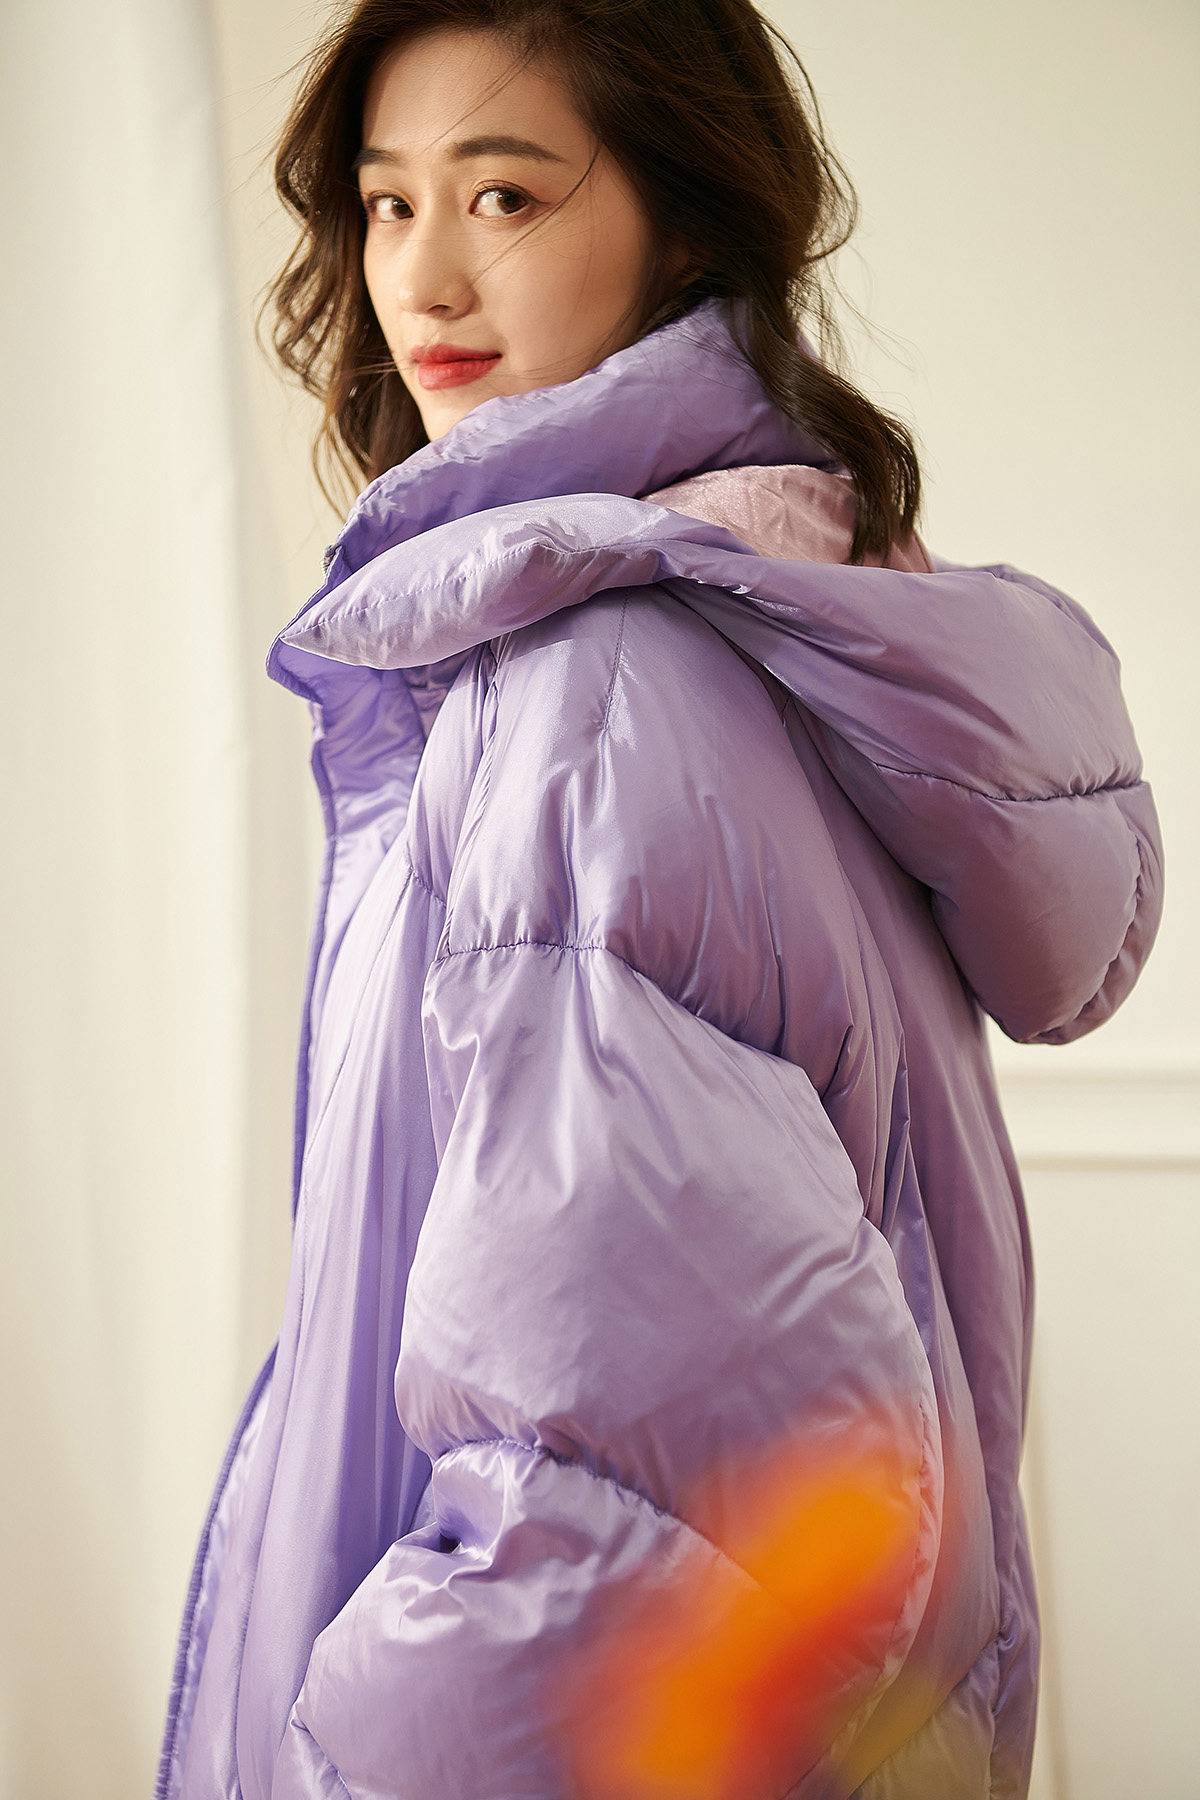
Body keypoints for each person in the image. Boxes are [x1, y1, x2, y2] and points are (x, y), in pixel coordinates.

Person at [157, 4, 1163, 1796]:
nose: (424, 278)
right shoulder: (786, 616)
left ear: (684, 227)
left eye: (506, 195)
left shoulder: (593, 699)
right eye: (389, 204)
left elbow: (612, 1505)